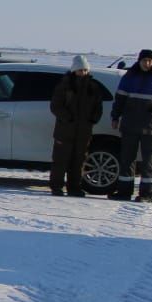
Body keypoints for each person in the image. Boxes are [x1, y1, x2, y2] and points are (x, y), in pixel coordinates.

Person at [109, 49, 152, 202]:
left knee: (149, 161)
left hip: (150, 125)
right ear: (139, 61)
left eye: (149, 61)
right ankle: (124, 191)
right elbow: (120, 99)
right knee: (127, 159)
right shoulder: (130, 77)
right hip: (130, 124)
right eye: (144, 60)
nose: (146, 63)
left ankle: (147, 194)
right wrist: (115, 116)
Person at [49, 55, 105, 197]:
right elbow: (55, 106)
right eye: (80, 70)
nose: (83, 73)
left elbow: (98, 107)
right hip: (65, 130)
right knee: (61, 160)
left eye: (85, 70)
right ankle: (57, 187)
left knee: (78, 160)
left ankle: (74, 187)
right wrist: (68, 118)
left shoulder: (93, 87)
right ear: (74, 70)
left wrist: (93, 119)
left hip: (84, 131)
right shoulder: (65, 85)